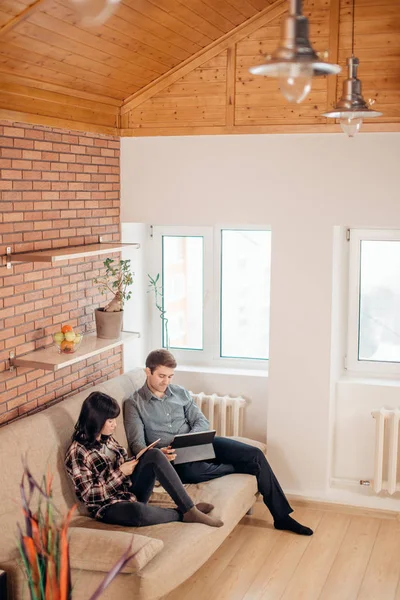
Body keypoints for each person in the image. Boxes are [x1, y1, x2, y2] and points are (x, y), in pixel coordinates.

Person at [124, 350, 313, 536]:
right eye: (161, 376)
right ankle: (236, 467)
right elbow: (137, 444)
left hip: (198, 442)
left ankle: (282, 517)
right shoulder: (134, 404)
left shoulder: (180, 393)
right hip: (171, 458)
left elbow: (202, 421)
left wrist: (190, 439)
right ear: (148, 372)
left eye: (170, 376)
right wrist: (160, 452)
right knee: (193, 472)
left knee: (254, 454)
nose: (166, 382)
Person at [65, 391, 224, 528]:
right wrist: (120, 472)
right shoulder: (77, 452)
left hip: (128, 490)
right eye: (111, 421)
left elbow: (124, 464)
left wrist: (138, 459)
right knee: (138, 512)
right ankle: (184, 514)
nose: (115, 425)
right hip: (108, 507)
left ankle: (189, 508)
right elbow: (90, 495)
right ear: (96, 420)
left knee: (154, 454)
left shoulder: (107, 438)